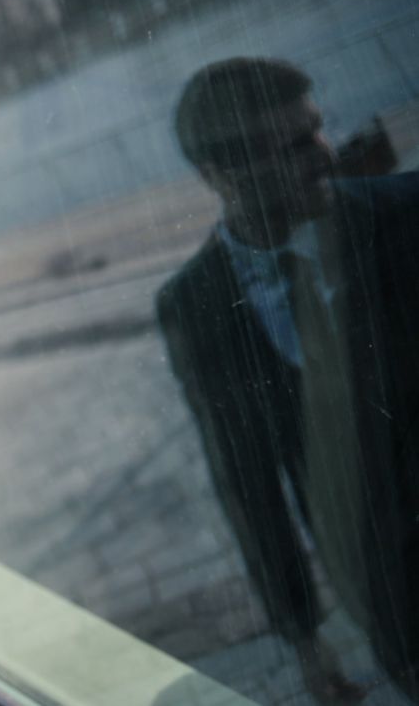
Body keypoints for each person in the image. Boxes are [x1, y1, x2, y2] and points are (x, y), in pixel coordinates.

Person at [156, 57, 419, 703]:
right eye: (293, 146)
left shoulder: (408, 215)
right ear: (219, 174)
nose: (324, 154)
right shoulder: (196, 304)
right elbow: (247, 480)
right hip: (389, 595)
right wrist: (303, 635)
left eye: (317, 130)